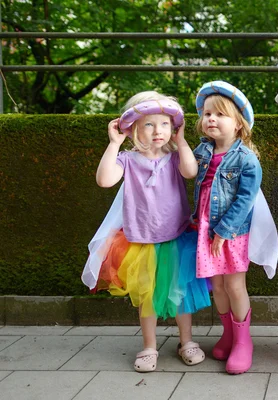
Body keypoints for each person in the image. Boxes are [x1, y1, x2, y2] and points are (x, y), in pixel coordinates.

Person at [81, 91, 211, 372]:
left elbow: (191, 171)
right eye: (149, 124)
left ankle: (186, 341)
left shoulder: (176, 157)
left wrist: (182, 140)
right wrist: (114, 144)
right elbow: (104, 180)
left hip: (176, 238)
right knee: (147, 298)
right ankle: (150, 346)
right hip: (141, 242)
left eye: (165, 124)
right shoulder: (128, 159)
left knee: (180, 294)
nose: (158, 131)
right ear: (134, 130)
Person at [193, 80, 278, 375]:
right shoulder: (201, 152)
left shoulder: (247, 159)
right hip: (205, 227)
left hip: (232, 231)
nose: (211, 119)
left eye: (220, 114)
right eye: (206, 114)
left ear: (239, 125)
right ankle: (227, 333)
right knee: (216, 284)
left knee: (233, 284)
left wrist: (223, 231)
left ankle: (243, 341)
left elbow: (246, 199)